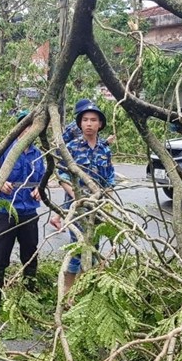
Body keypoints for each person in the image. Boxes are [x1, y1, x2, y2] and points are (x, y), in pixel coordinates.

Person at [0, 110, 46, 312]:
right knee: (1, 254)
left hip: (29, 212)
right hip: (5, 210)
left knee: (30, 252)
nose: (27, 131)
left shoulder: (38, 155)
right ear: (18, 129)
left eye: (31, 128)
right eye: (24, 126)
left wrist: (39, 190)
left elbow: (43, 179)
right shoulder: (2, 151)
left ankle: (28, 293)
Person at [51, 101, 115, 294]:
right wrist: (76, 196)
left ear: (100, 124)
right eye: (85, 120)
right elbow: (61, 174)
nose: (89, 124)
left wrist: (108, 197)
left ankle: (85, 290)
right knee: (78, 247)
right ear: (79, 124)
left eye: (93, 120)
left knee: (93, 245)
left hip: (97, 207)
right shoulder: (70, 147)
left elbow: (109, 176)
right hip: (77, 207)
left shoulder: (104, 149)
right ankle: (68, 292)